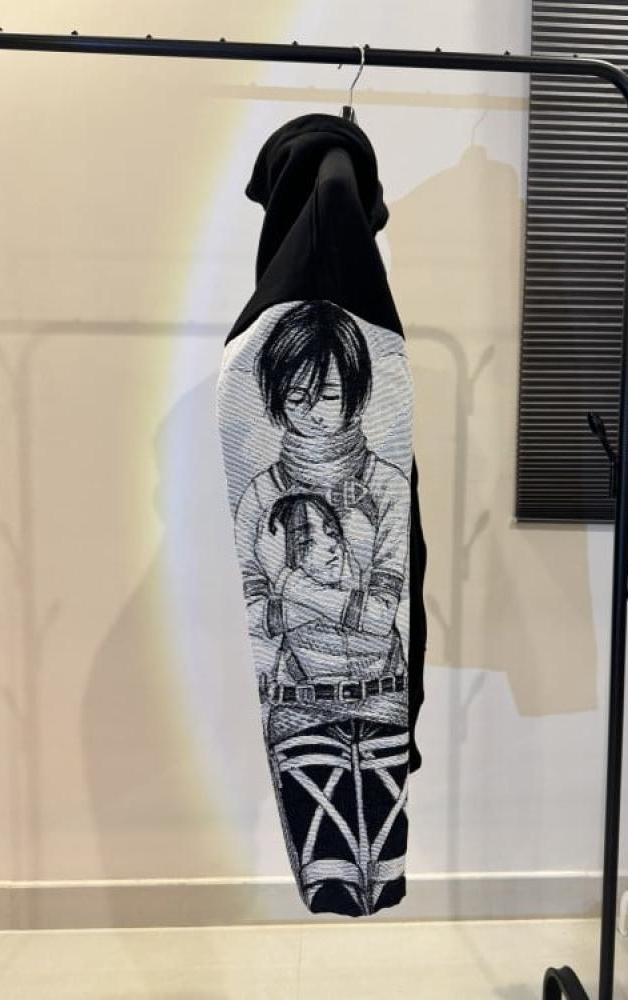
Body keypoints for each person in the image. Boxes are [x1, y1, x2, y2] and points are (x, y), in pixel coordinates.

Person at [232, 298, 411, 915]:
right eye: (297, 394)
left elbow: (380, 621)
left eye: (329, 393)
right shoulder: (258, 495)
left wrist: (291, 587)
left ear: (356, 395)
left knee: (384, 873)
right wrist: (344, 604)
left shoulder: (387, 486)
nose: (312, 409)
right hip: (295, 706)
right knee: (328, 879)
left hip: (383, 698)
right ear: (275, 396)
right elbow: (259, 624)